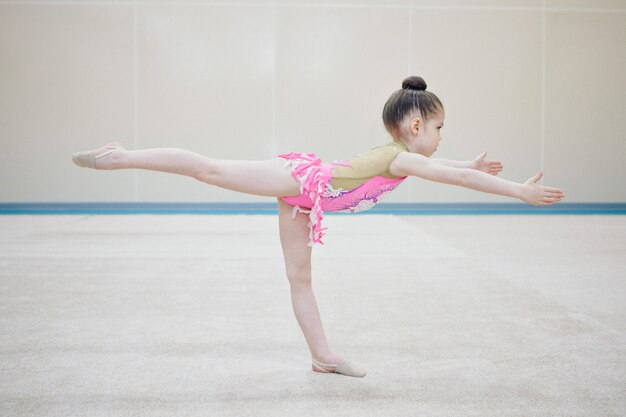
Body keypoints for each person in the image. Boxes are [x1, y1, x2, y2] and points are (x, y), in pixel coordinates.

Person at [72, 75, 565, 378]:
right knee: (212, 168)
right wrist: (518, 190)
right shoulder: (403, 161)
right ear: (416, 128)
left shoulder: (401, 157)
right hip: (299, 178)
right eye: (439, 129)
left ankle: (322, 357)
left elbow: (450, 168)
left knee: (299, 278)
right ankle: (119, 157)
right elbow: (449, 175)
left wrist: (471, 164)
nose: (440, 137)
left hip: (305, 203)